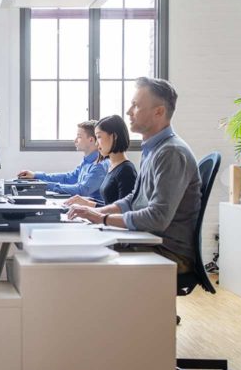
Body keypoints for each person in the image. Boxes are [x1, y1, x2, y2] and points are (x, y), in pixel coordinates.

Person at [68, 77, 201, 274]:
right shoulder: (153, 149)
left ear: (159, 112)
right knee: (78, 245)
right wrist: (98, 213)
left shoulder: (171, 153)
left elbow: (157, 218)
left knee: (80, 257)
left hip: (169, 252)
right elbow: (134, 200)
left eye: (136, 106)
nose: (129, 112)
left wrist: (101, 219)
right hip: (149, 240)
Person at [17, 120, 108, 202]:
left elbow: (82, 190)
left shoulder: (99, 165)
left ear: (91, 139)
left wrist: (46, 185)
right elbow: (68, 178)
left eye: (79, 137)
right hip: (81, 207)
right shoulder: (87, 161)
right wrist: (35, 176)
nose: (75, 140)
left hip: (94, 213)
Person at [64, 115, 137, 208]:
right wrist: (87, 203)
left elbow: (124, 211)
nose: (96, 143)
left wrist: (89, 208)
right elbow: (111, 205)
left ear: (114, 136)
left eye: (98, 137)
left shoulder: (126, 171)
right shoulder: (113, 166)